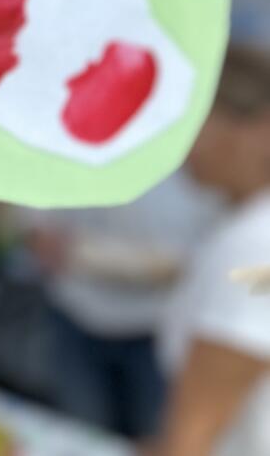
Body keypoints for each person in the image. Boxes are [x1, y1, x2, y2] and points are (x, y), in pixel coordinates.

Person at [22, 171, 218, 439]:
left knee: (152, 436)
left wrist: (80, 254)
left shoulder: (195, 162)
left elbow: (184, 264)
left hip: (154, 330)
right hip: (74, 315)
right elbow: (40, 236)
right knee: (82, 435)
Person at [156, 45, 270, 455]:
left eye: (194, 121)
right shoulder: (246, 228)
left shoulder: (255, 246)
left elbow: (188, 444)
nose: (181, 143)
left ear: (259, 128)